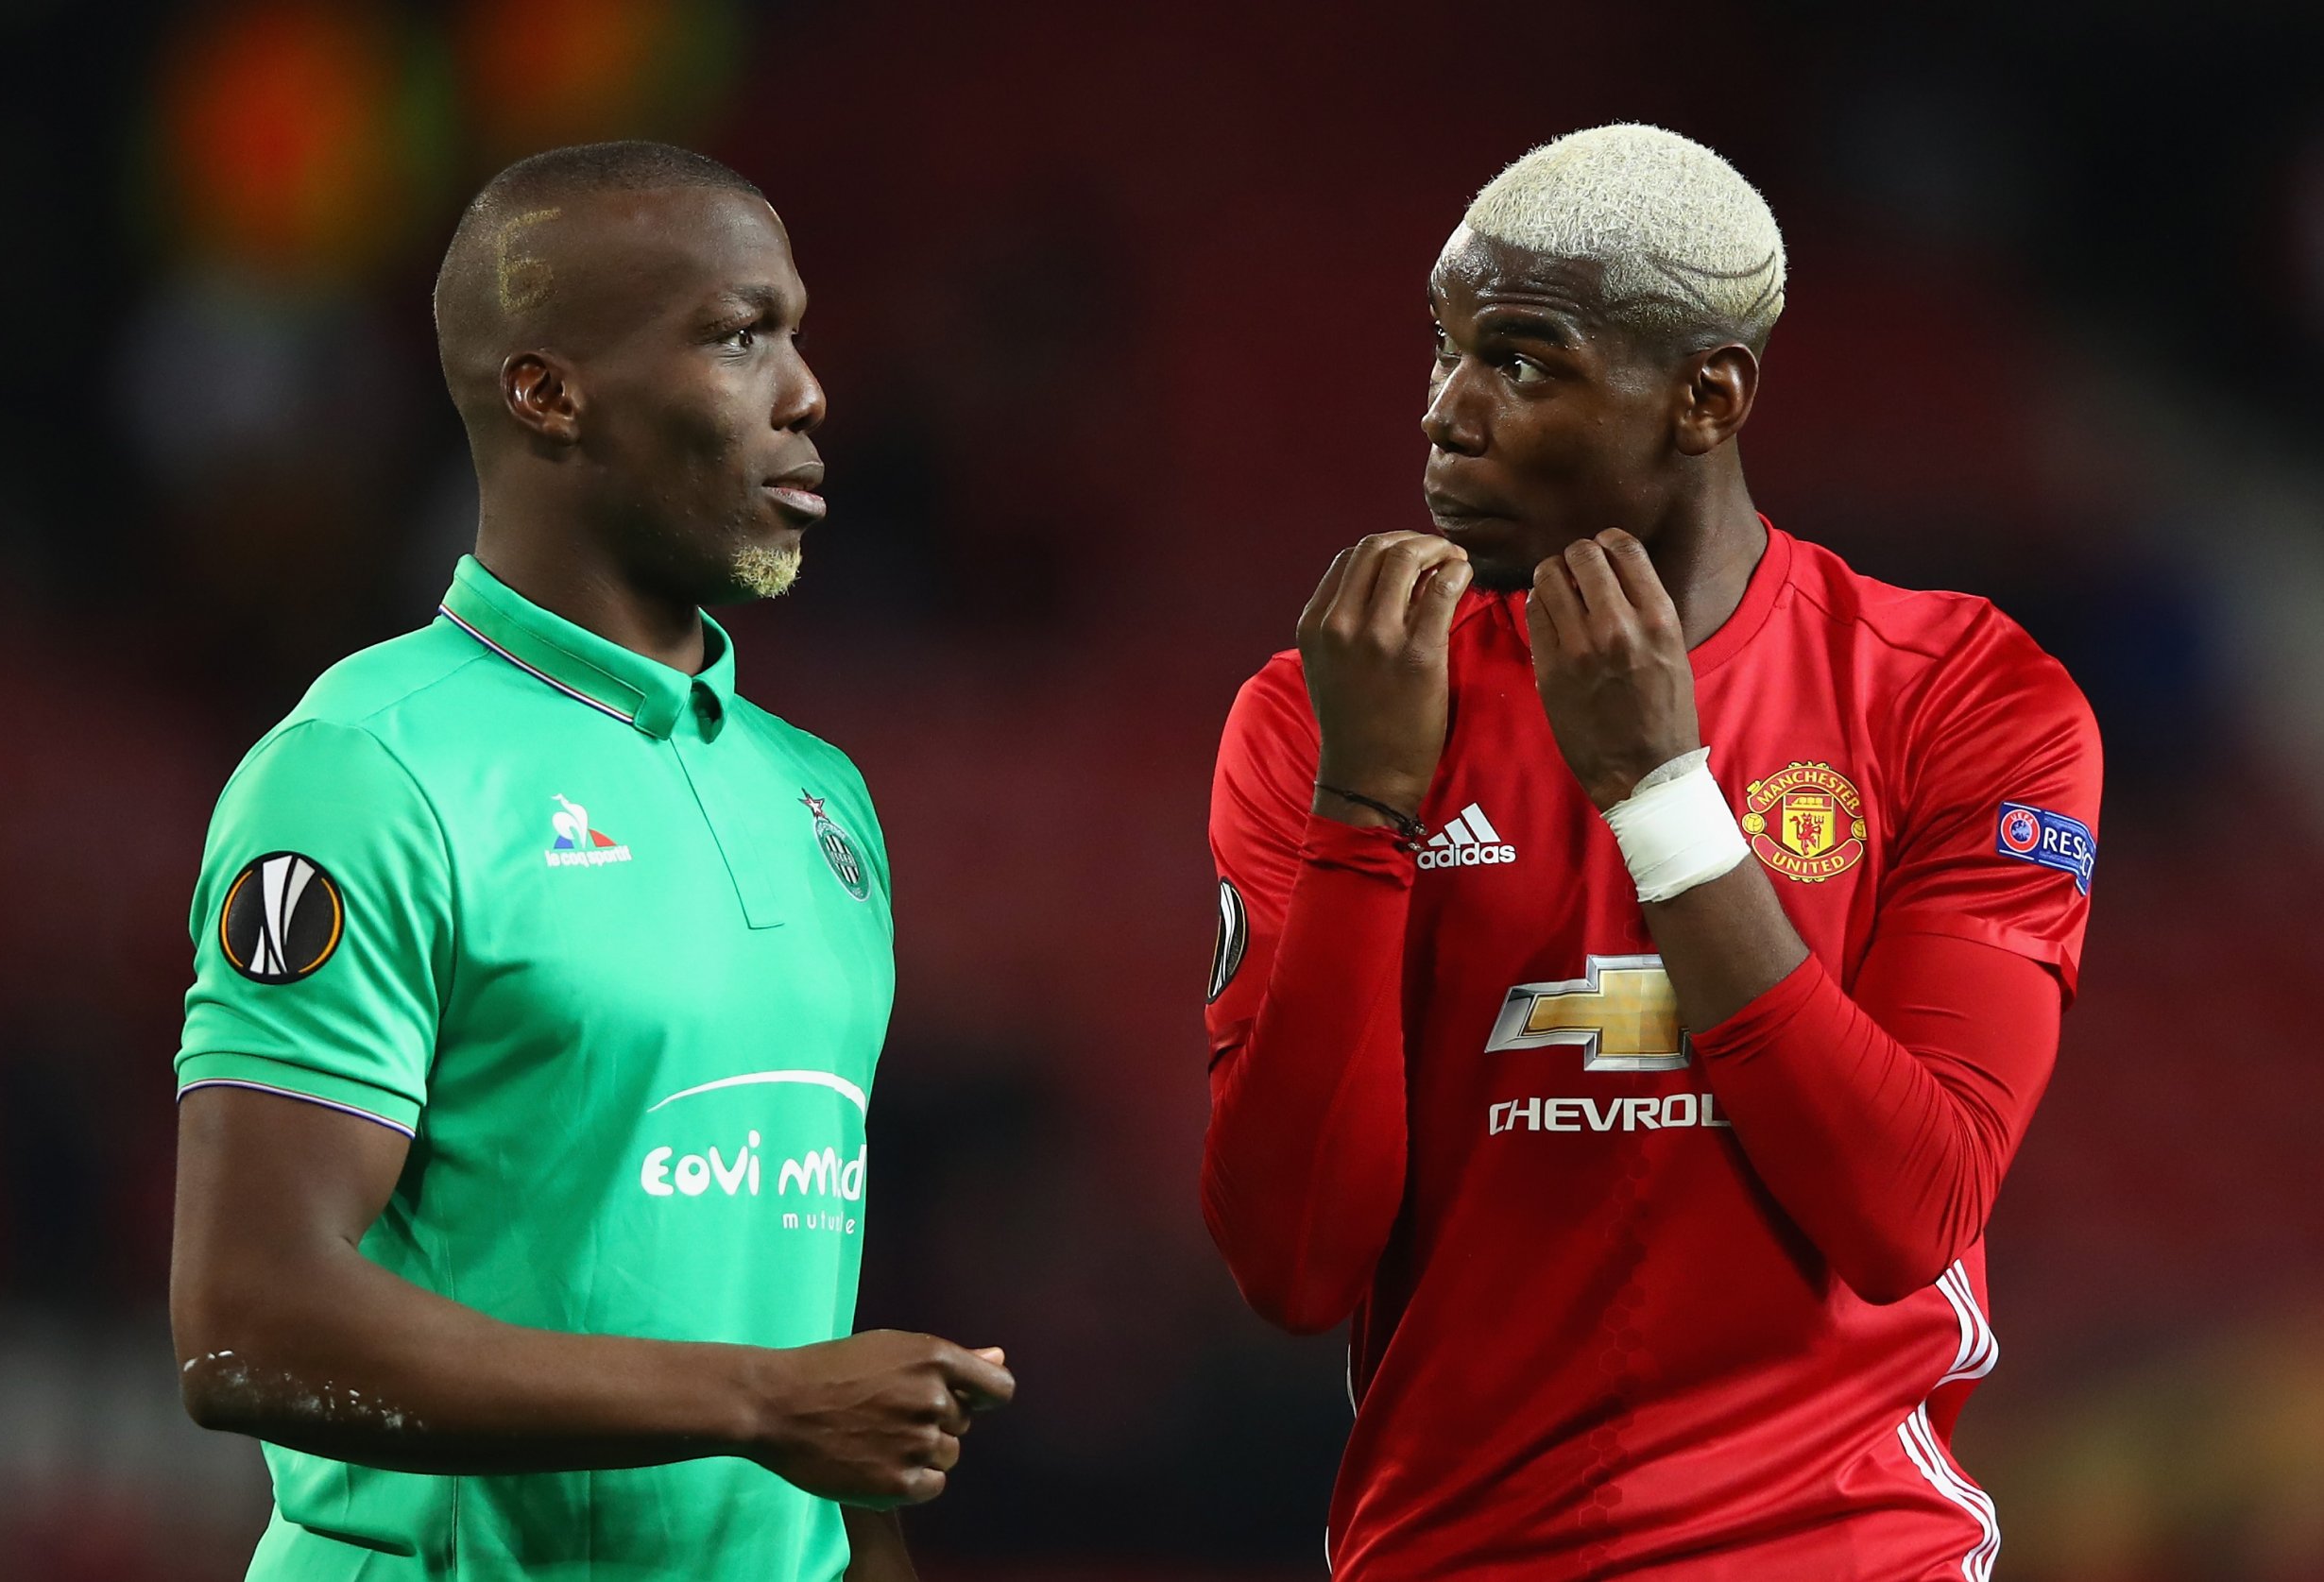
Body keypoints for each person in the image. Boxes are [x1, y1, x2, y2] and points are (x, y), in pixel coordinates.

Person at [1201, 123, 2099, 1580]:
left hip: (1841, 1554)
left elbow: (1906, 1210)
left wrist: (1658, 793)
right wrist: (1365, 806)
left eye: (1522, 361)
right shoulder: (1325, 713)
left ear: (1706, 395)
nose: (1445, 411)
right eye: (1442, 353)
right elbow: (1293, 1264)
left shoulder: (1965, 696)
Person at [169, 141, 1013, 1582]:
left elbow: (800, 1351)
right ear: (549, 394)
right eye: (741, 337)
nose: (808, 393)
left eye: (796, 335)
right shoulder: (369, 773)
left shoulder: (819, 798)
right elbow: (252, 1324)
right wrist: (759, 1406)